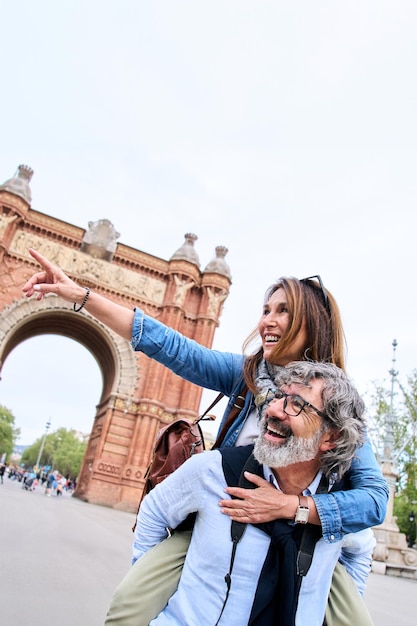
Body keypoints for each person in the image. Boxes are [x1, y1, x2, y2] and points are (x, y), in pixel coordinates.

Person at [22, 249, 388, 624]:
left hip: (303, 536)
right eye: (266, 310)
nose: (268, 321)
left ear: (310, 324)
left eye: (283, 311)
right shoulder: (244, 375)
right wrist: (80, 296)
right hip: (224, 522)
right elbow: (170, 345)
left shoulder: (335, 405)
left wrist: (290, 508)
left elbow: (375, 501)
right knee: (128, 606)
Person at [131, 361, 375, 625]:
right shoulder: (215, 470)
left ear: (331, 439)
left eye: (297, 404)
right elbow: (153, 511)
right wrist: (148, 589)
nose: (273, 410)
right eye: (278, 396)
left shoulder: (338, 503)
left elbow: (362, 549)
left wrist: (343, 609)